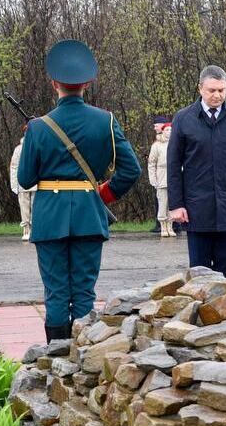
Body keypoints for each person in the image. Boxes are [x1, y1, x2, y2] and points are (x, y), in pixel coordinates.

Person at [17, 40, 140, 340]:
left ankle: (55, 361)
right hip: (88, 214)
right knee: (84, 291)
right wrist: (104, 195)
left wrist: (35, 141)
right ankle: (83, 363)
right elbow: (131, 169)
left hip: (50, 218)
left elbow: (25, 179)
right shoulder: (106, 121)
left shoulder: (39, 126)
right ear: (87, 82)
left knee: (56, 291)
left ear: (54, 83)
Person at [168, 64, 226, 276]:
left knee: (225, 272)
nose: (217, 95)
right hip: (196, 208)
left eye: (221, 90)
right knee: (199, 273)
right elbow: (173, 164)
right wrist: (176, 204)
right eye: (212, 90)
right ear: (200, 88)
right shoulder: (183, 118)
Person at [9, 124, 36, 242]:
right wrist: (14, 184)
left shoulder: (37, 146)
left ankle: (35, 229)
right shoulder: (18, 149)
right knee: (24, 207)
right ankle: (26, 229)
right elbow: (14, 167)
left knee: (35, 206)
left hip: (37, 183)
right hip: (23, 183)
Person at [148, 122, 175, 237]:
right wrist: (153, 179)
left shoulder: (176, 143)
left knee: (173, 203)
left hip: (174, 177)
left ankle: (170, 226)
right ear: (163, 131)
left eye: (171, 130)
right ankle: (163, 226)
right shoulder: (157, 145)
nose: (169, 132)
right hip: (162, 176)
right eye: (167, 130)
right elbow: (151, 163)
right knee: (163, 202)